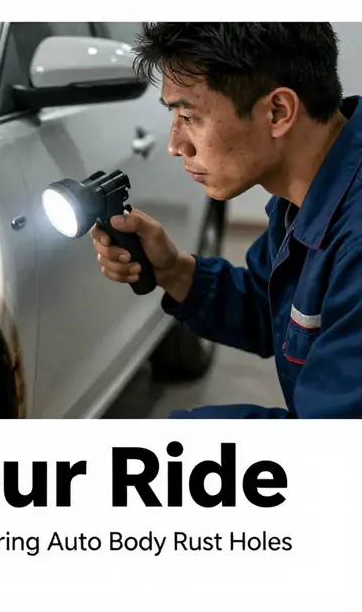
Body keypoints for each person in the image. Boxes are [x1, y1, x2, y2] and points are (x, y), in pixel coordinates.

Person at [92, 22, 362, 418]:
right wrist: (173, 269)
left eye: (189, 116)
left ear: (278, 111)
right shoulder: (307, 194)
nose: (175, 145)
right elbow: (272, 310)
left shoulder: (355, 238)